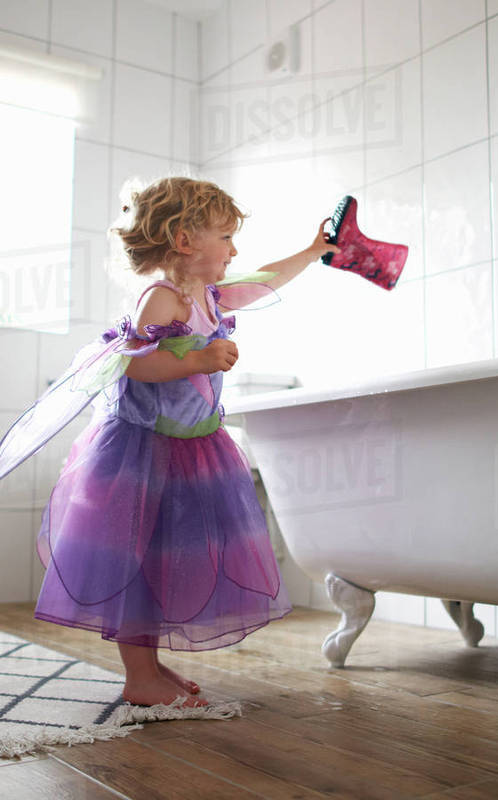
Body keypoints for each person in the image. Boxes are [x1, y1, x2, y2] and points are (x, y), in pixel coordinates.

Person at [32, 176, 338, 707]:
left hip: (192, 450)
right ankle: (139, 678)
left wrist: (314, 252)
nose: (235, 249)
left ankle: (149, 668)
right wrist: (195, 359)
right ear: (184, 241)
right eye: (225, 237)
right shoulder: (161, 298)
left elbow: (265, 279)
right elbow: (134, 363)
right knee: (136, 562)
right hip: (143, 454)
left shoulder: (209, 294)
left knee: (163, 561)